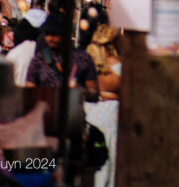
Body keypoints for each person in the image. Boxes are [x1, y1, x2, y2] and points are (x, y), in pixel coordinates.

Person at [25, 15, 98, 100]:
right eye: (47, 34)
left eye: (55, 34)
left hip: (75, 109)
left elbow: (94, 92)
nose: (50, 38)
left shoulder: (82, 58)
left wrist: (79, 90)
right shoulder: (38, 60)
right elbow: (29, 92)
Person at [85, 24, 122, 187]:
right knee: (111, 162)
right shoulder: (117, 65)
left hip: (90, 115)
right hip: (112, 117)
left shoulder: (87, 60)